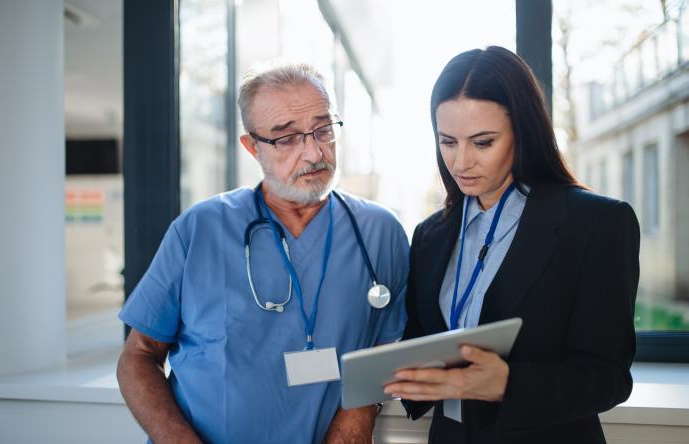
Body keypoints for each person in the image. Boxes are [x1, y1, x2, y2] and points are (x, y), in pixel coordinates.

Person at [116, 62, 409, 444]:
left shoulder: (379, 231)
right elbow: (138, 355)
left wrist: (359, 415)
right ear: (252, 147)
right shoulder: (200, 228)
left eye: (323, 129)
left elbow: (386, 344)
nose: (313, 152)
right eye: (286, 139)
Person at [383, 46, 640, 443]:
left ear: (524, 132)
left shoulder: (596, 223)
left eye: (482, 142)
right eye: (447, 141)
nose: (461, 162)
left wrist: (507, 383)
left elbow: (607, 377)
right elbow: (424, 339)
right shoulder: (430, 235)